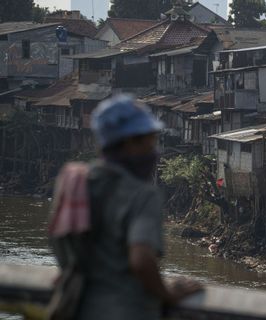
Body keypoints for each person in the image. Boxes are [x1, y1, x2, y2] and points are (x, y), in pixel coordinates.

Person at [49, 95, 202, 320]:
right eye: (150, 141)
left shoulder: (73, 183)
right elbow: (141, 260)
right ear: (131, 143)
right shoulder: (142, 194)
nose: (154, 151)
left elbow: (61, 246)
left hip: (78, 309)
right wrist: (167, 294)